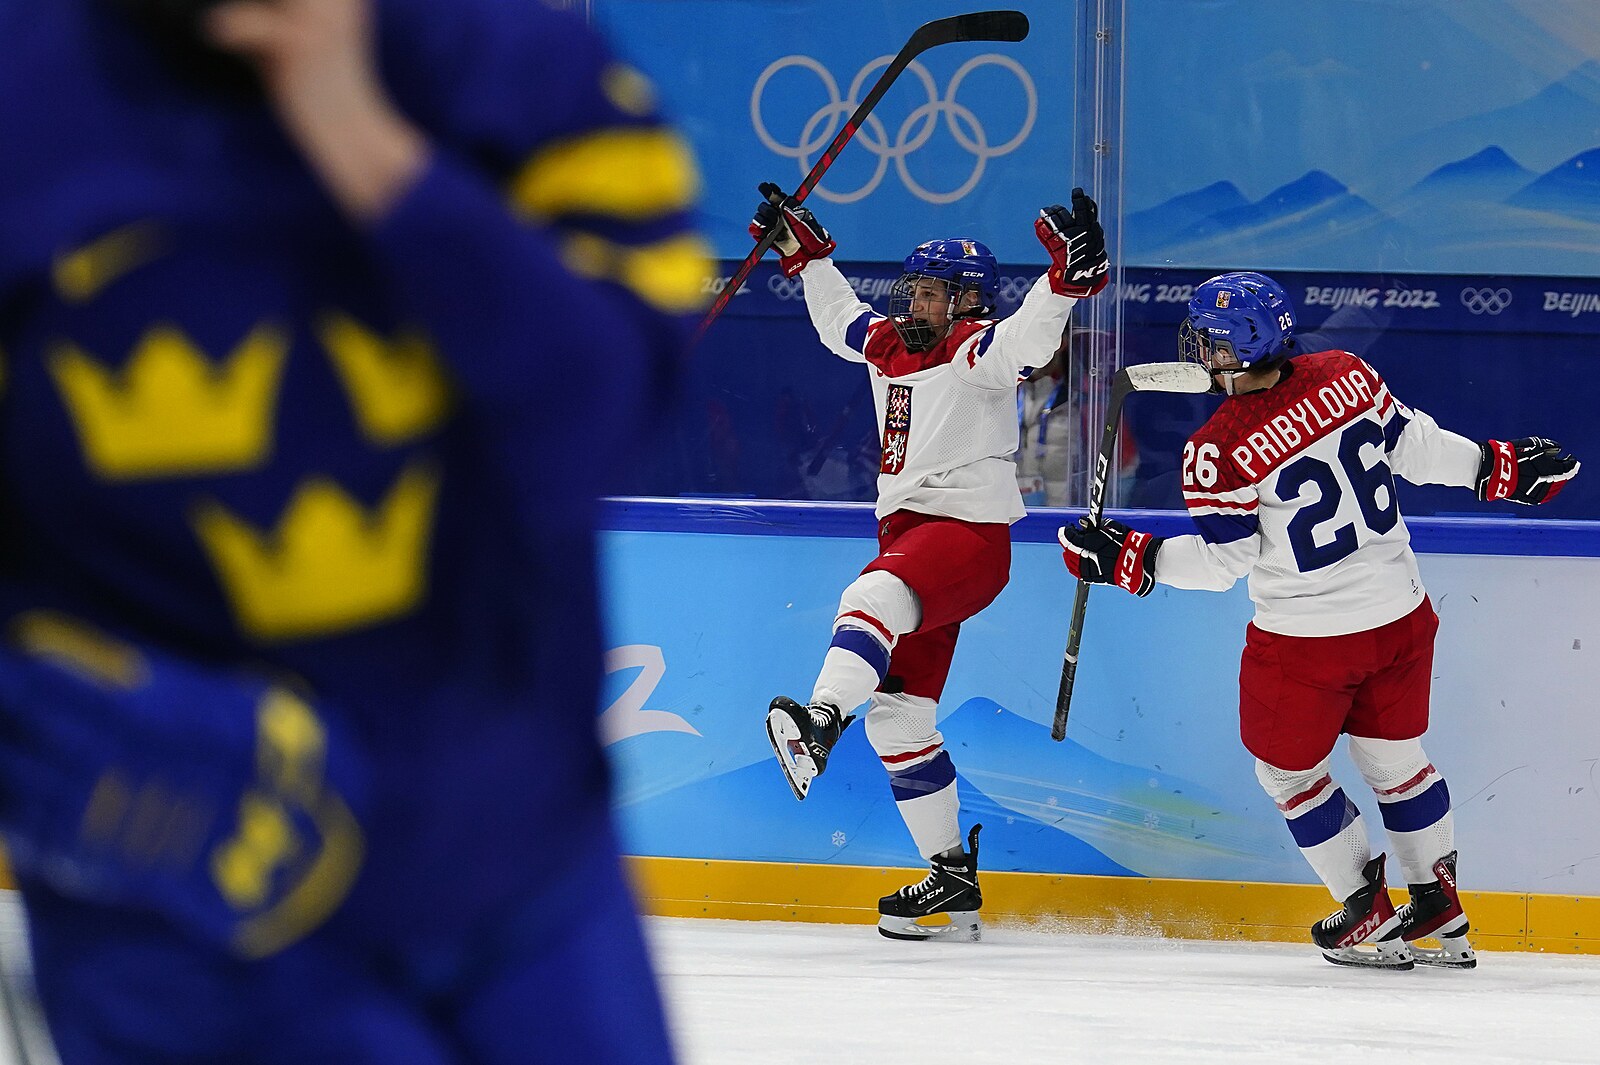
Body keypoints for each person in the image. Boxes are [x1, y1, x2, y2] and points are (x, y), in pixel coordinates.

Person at [0, 0, 708, 1061]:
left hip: (526, 888)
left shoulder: (519, 60)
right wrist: (40, 723)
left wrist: (369, 146)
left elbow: (596, 430)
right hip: (183, 935)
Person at [1058, 272, 1580, 970]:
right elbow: (1419, 448)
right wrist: (1498, 467)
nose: (1200, 349)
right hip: (1401, 615)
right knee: (1398, 762)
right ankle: (1440, 901)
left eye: (1208, 339)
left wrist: (1131, 558)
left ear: (1232, 347)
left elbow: (1222, 564)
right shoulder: (1346, 373)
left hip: (1306, 643)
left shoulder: (1219, 446)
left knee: (1288, 773)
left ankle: (1365, 911)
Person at [750, 182, 1110, 940]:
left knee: (872, 595)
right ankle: (950, 874)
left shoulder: (976, 352)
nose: (917, 303)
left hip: (965, 540)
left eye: (934, 292)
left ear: (969, 301)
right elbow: (840, 319)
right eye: (913, 288)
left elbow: (1026, 343)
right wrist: (805, 256)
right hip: (916, 541)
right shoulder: (889, 343)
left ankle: (818, 721)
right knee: (898, 717)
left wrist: (1063, 284)